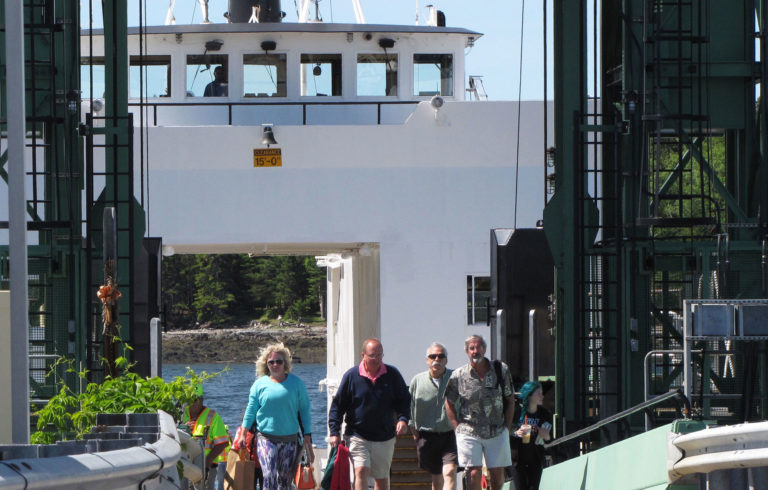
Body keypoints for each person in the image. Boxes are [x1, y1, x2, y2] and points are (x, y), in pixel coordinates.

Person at [328, 338, 411, 490]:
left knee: (381, 477)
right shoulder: (351, 376)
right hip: (357, 434)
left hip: (385, 436)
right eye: (372, 355)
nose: (376, 359)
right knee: (361, 471)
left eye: (379, 355)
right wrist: (334, 432)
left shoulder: (392, 374)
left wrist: (403, 419)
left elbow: (404, 400)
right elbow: (338, 406)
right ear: (363, 355)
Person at [233, 343, 314, 490]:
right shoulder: (259, 385)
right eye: (271, 362)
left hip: (289, 440)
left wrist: (307, 435)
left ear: (285, 363)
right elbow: (251, 410)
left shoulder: (297, 384)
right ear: (266, 364)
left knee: (284, 481)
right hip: (266, 438)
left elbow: (304, 410)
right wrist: (243, 434)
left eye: (279, 361)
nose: (275, 364)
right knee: (269, 475)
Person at [444, 335, 514, 490]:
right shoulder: (458, 375)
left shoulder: (500, 370)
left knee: (496, 473)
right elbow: (448, 402)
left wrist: (507, 428)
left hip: (496, 429)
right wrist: (457, 428)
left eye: (479, 347)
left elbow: (510, 399)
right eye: (472, 348)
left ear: (485, 349)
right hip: (469, 431)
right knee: (474, 473)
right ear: (467, 352)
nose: (476, 351)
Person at [408, 342, 458, 490]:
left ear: (446, 360)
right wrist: (413, 430)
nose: (437, 359)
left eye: (441, 356)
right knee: (436, 478)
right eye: (433, 356)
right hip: (427, 436)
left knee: (449, 472)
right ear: (427, 360)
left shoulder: (455, 377)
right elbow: (409, 406)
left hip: (450, 434)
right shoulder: (417, 380)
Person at [181, 384, 230, 490]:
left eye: (195, 399)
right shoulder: (181, 415)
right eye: (189, 399)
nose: (193, 403)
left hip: (207, 465)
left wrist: (207, 462)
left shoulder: (213, 416)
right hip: (185, 464)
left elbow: (222, 443)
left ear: (201, 399)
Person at [513, 381, 552, 489]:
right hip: (517, 461)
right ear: (529, 395)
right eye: (538, 393)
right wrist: (517, 433)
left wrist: (546, 436)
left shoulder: (544, 414)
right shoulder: (517, 412)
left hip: (536, 459)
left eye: (542, 393)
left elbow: (549, 440)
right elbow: (506, 432)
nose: (542, 396)